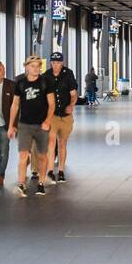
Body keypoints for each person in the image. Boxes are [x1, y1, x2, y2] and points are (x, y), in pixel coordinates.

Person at [8, 55, 52, 197]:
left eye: (38, 66)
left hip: (41, 125)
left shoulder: (45, 82)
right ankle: (21, 184)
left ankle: (41, 183)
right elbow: (14, 105)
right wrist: (11, 126)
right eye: (33, 66)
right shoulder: (20, 83)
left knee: (42, 156)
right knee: (23, 155)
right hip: (24, 125)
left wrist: (47, 121)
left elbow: (52, 104)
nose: (36, 69)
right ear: (26, 67)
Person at [44, 51, 79, 184]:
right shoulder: (46, 76)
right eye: (53, 62)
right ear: (51, 63)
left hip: (66, 115)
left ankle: (62, 171)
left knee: (62, 143)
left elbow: (74, 93)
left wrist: (71, 105)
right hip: (52, 114)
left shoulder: (68, 74)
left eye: (58, 63)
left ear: (62, 63)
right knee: (51, 142)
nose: (56, 65)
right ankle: (51, 171)